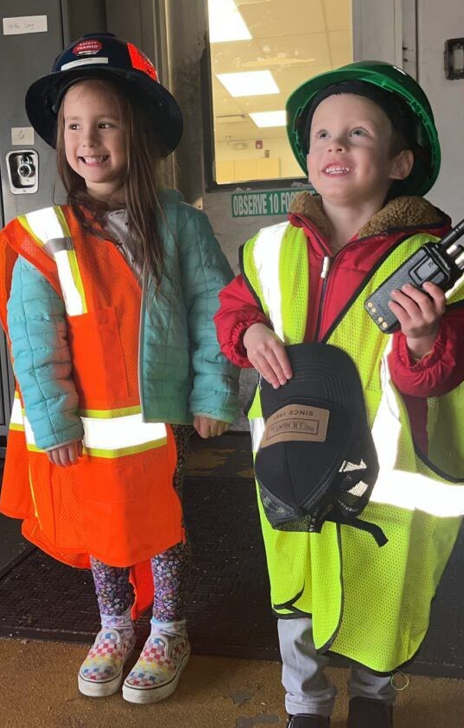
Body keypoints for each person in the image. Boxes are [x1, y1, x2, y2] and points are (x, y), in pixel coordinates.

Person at [0, 33, 238, 705]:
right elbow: (33, 338)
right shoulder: (48, 235)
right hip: (87, 422)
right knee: (105, 522)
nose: (86, 139)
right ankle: (114, 623)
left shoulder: (181, 225)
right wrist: (52, 420)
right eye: (72, 125)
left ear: (141, 135)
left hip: (161, 418)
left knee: (161, 520)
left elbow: (218, 309)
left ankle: (169, 626)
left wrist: (216, 391)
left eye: (105, 124)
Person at [214, 60, 464, 728]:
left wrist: (421, 340)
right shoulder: (270, 249)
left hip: (389, 483)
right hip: (291, 466)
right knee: (295, 591)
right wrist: (251, 330)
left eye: (357, 133)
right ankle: (305, 704)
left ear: (401, 161)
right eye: (322, 134)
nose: (334, 145)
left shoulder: (435, 263)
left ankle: (374, 701)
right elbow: (233, 311)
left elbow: (436, 378)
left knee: (382, 596)